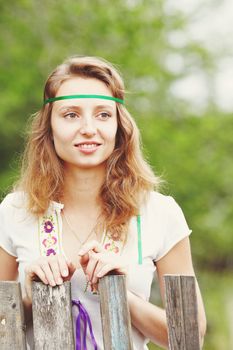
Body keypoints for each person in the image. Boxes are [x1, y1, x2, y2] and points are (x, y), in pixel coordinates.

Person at [0, 55, 206, 349]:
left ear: (119, 126)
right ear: (49, 126)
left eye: (103, 114)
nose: (88, 128)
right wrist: (29, 298)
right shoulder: (13, 211)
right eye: (71, 114)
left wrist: (121, 294)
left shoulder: (160, 212)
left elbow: (191, 335)